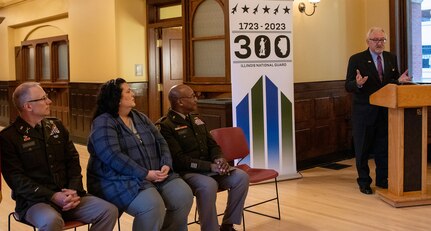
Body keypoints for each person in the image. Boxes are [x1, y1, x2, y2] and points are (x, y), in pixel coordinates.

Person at [0, 82, 118, 231]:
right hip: (35, 202)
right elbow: (17, 180)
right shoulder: (9, 137)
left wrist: (73, 190)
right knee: (51, 221)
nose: (49, 101)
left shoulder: (56, 126)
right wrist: (53, 196)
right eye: (43, 98)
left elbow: (73, 160)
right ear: (28, 106)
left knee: (108, 211)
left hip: (68, 197)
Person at [86, 78, 193, 231]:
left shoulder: (139, 117)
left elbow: (161, 141)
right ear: (116, 98)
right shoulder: (104, 122)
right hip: (116, 179)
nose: (133, 93)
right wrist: (145, 174)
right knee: (152, 206)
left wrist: (166, 164)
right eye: (128, 91)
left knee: (183, 195)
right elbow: (113, 156)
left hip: (153, 174)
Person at [157, 84, 249, 231]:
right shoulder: (166, 126)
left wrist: (219, 159)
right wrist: (209, 166)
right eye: (192, 96)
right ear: (180, 102)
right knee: (208, 185)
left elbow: (213, 145)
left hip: (211, 169)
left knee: (241, 177)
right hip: (187, 172)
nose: (196, 99)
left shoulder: (196, 120)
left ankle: (228, 224)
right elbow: (178, 160)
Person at [345, 27, 412, 195]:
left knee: (383, 149)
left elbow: (390, 82)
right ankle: (364, 182)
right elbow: (348, 85)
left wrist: (399, 81)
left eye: (382, 39)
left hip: (385, 111)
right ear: (368, 42)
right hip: (364, 112)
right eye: (375, 40)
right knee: (363, 149)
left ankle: (383, 180)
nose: (379, 43)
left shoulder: (391, 58)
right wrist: (358, 83)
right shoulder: (356, 59)